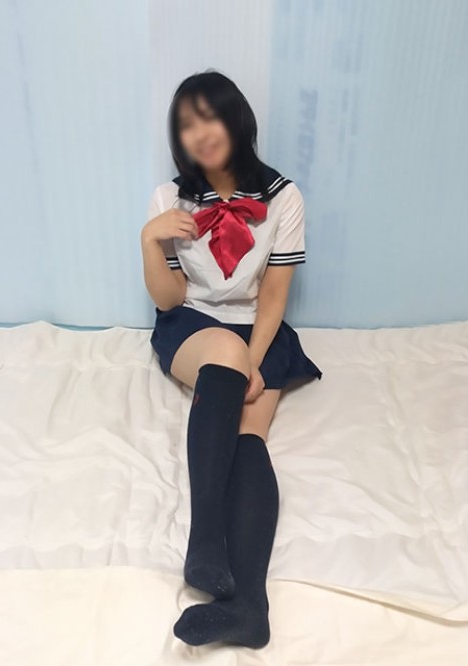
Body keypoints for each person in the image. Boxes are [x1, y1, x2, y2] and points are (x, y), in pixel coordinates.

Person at [140, 70, 323, 649]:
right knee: (222, 350)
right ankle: (205, 543)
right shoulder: (169, 199)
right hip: (193, 324)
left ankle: (249, 610)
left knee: (250, 439)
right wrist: (150, 239)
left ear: (236, 118)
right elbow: (169, 300)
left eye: (209, 116)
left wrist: (255, 360)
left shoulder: (284, 197)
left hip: (260, 330)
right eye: (186, 125)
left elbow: (273, 295)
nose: (200, 133)